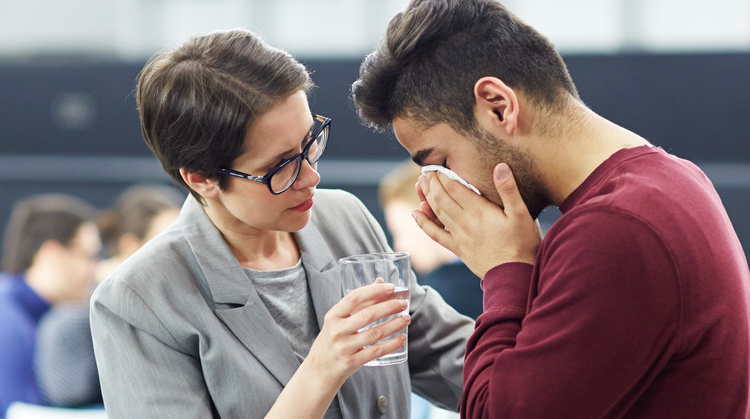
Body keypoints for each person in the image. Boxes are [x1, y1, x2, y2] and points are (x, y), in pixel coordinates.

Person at [352, 0, 750, 418]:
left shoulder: (613, 228)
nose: (438, 189)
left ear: (498, 107)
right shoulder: (669, 180)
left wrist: (503, 271)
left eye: (440, 161)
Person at [89, 28, 473, 418]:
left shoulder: (343, 219)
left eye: (310, 143)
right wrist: (321, 370)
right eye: (280, 166)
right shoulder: (140, 301)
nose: (310, 176)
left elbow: (445, 353)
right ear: (201, 178)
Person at [34, 184, 184, 409]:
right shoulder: (74, 321)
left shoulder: (179, 308)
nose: (181, 254)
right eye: (167, 243)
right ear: (131, 245)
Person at [0, 194, 101, 417]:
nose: (93, 269)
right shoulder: (7, 320)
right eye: (87, 256)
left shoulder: (36, 312)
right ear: (52, 253)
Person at [379, 160, 482, 320]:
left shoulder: (440, 296)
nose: (399, 246)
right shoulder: (495, 275)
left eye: (403, 232)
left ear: (433, 215)